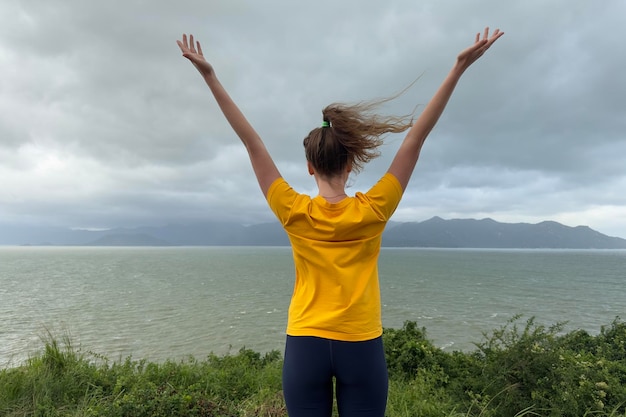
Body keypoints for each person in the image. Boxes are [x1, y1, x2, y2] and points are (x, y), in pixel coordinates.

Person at [177, 27, 503, 417]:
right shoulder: (374, 209)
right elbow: (415, 139)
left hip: (305, 342)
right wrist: (458, 69)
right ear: (351, 163)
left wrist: (210, 77)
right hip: (361, 342)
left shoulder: (293, 210)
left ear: (310, 166)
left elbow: (252, 143)